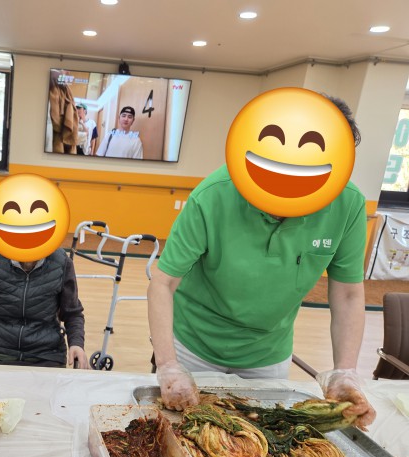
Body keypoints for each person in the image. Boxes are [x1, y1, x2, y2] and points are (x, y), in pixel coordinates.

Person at [147, 96, 376, 430]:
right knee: (179, 435)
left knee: (259, 442)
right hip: (194, 344)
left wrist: (345, 371)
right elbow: (163, 282)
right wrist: (168, 365)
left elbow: (348, 294)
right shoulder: (215, 194)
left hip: (268, 354)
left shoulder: (348, 204)